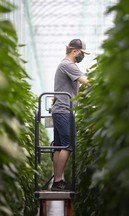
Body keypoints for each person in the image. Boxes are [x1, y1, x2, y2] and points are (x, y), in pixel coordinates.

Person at [51, 39, 90, 191]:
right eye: (82, 53)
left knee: (59, 146)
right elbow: (87, 81)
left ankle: (57, 180)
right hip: (63, 110)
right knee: (67, 145)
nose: (82, 56)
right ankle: (58, 181)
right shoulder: (68, 65)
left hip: (60, 109)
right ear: (75, 51)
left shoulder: (64, 65)